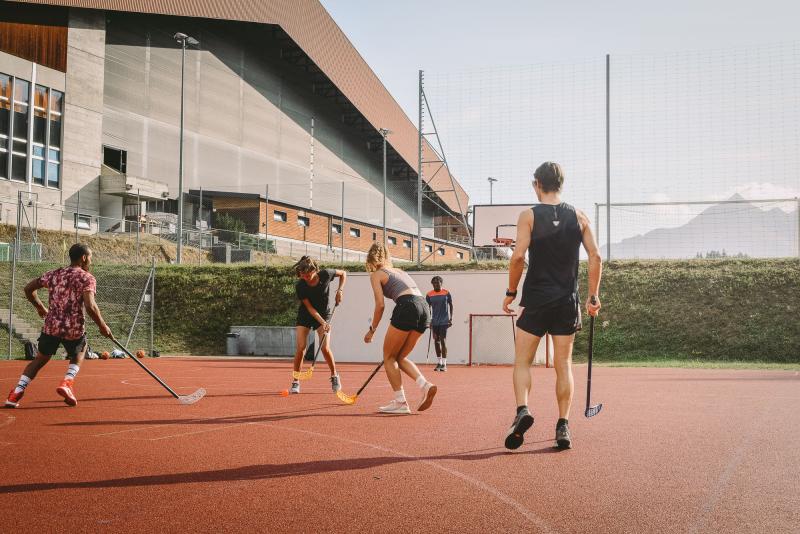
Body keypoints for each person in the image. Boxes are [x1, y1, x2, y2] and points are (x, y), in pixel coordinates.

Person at [502, 162, 602, 450]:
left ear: (536, 184)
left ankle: (522, 410)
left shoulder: (529, 216)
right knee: (564, 365)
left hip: (536, 299)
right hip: (566, 301)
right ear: (561, 184)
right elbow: (596, 257)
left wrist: (510, 291)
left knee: (522, 361)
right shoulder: (580, 216)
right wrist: (593, 296)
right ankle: (563, 427)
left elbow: (518, 257)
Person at [5, 243, 113, 408]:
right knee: (80, 352)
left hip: (52, 326)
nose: (90, 261)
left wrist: (40, 307)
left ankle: (16, 393)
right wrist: (103, 326)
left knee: (39, 360)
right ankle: (67, 383)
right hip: (74, 328)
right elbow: (90, 306)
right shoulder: (87, 277)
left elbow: (28, 289)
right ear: (84, 258)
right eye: (90, 257)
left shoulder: (54, 274)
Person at [363, 242, 437, 414]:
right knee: (400, 357)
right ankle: (425, 385)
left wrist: (371, 330)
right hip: (424, 307)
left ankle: (400, 402)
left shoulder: (376, 274)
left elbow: (380, 305)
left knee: (389, 357)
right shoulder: (400, 271)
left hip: (407, 306)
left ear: (370, 259)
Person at [289, 256, 346, 395]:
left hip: (324, 313)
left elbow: (343, 274)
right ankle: (296, 381)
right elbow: (310, 308)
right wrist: (323, 323)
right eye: (303, 276)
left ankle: (334, 376)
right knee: (301, 348)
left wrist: (340, 290)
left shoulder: (326, 274)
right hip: (306, 315)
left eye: (308, 275)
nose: (306, 278)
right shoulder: (300, 285)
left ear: (314, 270)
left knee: (325, 348)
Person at [426, 276, 453, 371]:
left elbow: (451, 305)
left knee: (443, 341)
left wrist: (451, 318)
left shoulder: (446, 293)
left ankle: (444, 364)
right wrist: (428, 321)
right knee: (436, 341)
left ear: (441, 283)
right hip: (434, 322)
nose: (436, 284)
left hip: (444, 321)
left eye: (438, 283)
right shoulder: (429, 295)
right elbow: (427, 308)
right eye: (434, 283)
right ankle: (439, 363)